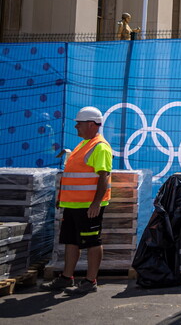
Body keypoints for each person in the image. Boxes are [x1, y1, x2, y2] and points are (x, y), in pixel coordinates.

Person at [42, 106, 113, 295]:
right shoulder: (83, 145)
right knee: (70, 241)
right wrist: (62, 198)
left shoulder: (100, 147)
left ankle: (90, 281)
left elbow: (103, 177)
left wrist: (96, 203)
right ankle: (67, 278)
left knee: (92, 242)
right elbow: (73, 176)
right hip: (72, 204)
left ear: (91, 124)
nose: (76, 127)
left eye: (79, 124)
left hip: (88, 206)